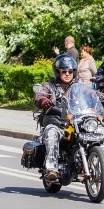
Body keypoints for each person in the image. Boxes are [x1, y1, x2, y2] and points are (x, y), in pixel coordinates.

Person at [34, 53, 78, 181]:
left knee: (98, 133)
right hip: (56, 123)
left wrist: (103, 98)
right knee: (51, 133)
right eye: (64, 71)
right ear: (58, 72)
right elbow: (39, 95)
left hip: (76, 124)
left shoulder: (78, 86)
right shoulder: (49, 86)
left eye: (70, 71)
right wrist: (43, 100)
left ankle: (99, 165)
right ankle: (51, 169)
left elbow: (91, 94)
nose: (68, 74)